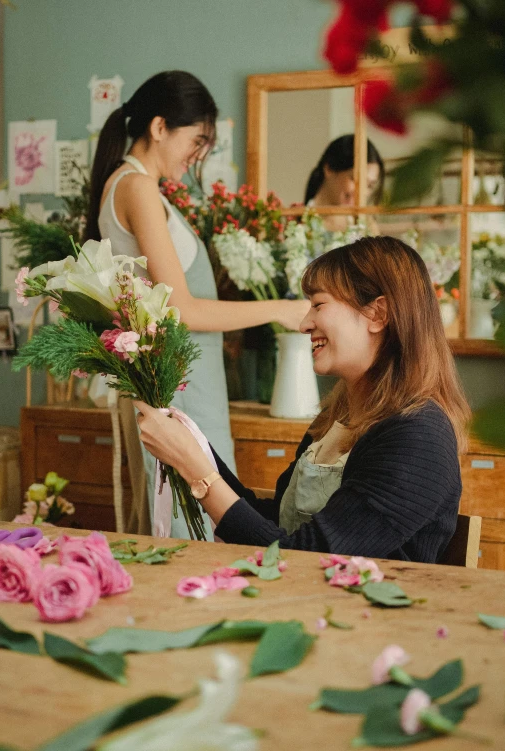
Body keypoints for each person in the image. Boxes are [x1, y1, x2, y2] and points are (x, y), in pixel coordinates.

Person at [135, 236, 471, 562]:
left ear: (378, 315)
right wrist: (189, 448)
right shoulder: (336, 419)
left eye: (318, 304)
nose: (304, 323)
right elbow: (280, 521)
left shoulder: (417, 437)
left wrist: (199, 475)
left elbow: (306, 557)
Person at [85, 70, 308, 538]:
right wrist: (279, 309)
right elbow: (181, 308)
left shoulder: (127, 184)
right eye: (197, 139)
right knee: (202, 526)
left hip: (185, 379)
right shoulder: (137, 187)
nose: (200, 154)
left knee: (203, 516)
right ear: (160, 126)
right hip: (183, 387)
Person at [305, 134, 385, 233]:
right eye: (355, 179)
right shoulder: (295, 222)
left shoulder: (367, 226)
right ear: (329, 169)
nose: (362, 192)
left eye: (369, 185)